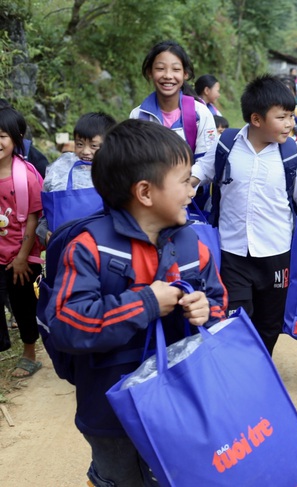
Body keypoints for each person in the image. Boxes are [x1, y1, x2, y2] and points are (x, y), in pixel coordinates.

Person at [45, 119, 226, 487]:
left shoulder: (194, 245)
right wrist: (145, 302)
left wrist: (206, 311)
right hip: (111, 414)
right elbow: (67, 322)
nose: (192, 190)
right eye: (184, 180)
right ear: (145, 192)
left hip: (181, 404)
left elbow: (219, 304)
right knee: (119, 477)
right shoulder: (89, 247)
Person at [192, 74, 297, 355]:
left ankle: (260, 368)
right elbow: (200, 172)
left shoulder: (290, 154)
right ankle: (239, 372)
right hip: (232, 251)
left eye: (291, 117)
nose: (290, 124)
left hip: (277, 255)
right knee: (235, 320)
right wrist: (187, 184)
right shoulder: (227, 144)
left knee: (270, 324)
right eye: (282, 117)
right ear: (257, 119)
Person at [0, 107, 44, 378]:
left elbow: (33, 219)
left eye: (2, 136)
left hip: (22, 256)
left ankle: (30, 353)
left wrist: (21, 257)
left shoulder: (26, 176)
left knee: (23, 304)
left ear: (17, 138)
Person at [129, 40, 217, 161]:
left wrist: (186, 180)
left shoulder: (200, 114)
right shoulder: (137, 116)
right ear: (150, 72)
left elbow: (207, 162)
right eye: (160, 68)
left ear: (185, 74)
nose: (168, 76)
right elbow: (134, 161)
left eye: (175, 69)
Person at [37, 112, 117, 243]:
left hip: (99, 249)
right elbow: (47, 211)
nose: (85, 151)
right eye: (80, 144)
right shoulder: (60, 172)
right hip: (62, 247)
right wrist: (44, 233)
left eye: (94, 146)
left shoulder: (114, 176)